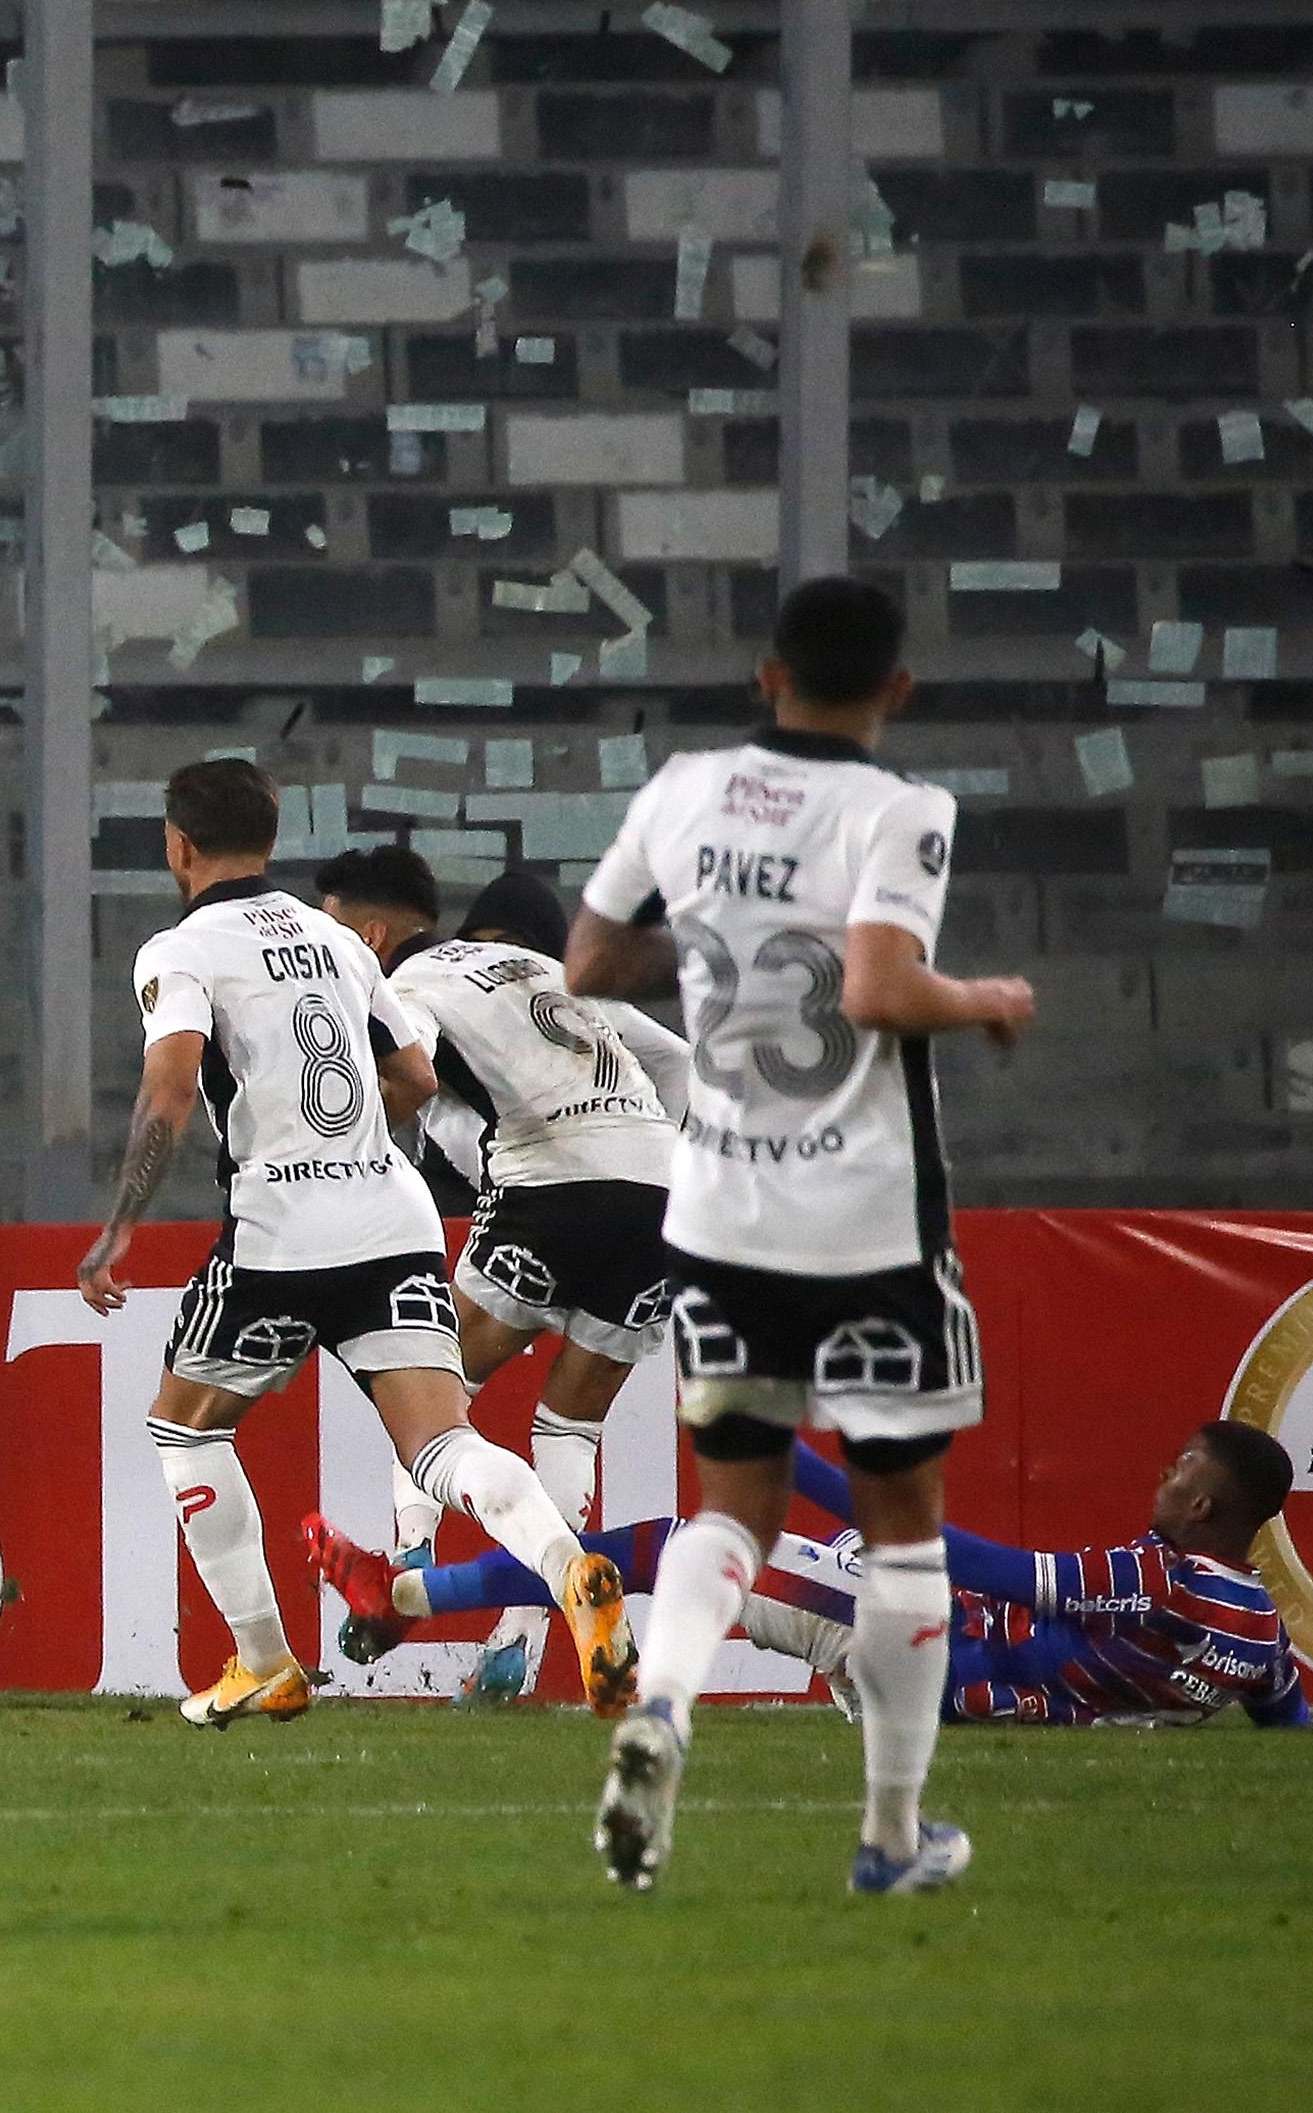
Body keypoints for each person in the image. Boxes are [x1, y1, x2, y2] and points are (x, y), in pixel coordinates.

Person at [561, 575, 1036, 1894]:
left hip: (716, 1215)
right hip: (866, 1224)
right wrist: (983, 994)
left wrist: (714, 956)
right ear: (897, 690)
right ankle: (891, 1836)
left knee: (737, 1507)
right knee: (901, 1523)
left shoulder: (680, 790)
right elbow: (882, 988)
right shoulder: (900, 811)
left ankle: (661, 1706)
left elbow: (588, 965)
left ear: (766, 676)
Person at [75, 761, 637, 1729]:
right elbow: (414, 1076)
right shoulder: (337, 942)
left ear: (175, 846)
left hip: (280, 1228)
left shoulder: (179, 950)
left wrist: (118, 1225)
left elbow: (169, 1087)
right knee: (442, 1444)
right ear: (271, 831)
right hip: (391, 1216)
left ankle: (263, 1661)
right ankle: (568, 1572)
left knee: (183, 1426)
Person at [312, 844, 692, 1704]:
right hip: (660, 1187)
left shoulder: (410, 984)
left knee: (426, 1381)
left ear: (374, 938)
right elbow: (679, 1061)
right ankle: (516, 1648)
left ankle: (405, 1570)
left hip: (549, 1179)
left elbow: (413, 1078)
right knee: (570, 1427)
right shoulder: (558, 976)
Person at [310, 1422, 1311, 1731]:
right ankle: (401, 1603)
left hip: (914, 1645)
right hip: (944, 1677)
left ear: (1206, 1511)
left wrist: (813, 1473)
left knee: (680, 1546)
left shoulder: (1161, 1578)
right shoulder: (1259, 1628)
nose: (1161, 1473)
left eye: (1180, 1471)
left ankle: (404, 1597)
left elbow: (998, 1572)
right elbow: (1286, 1721)